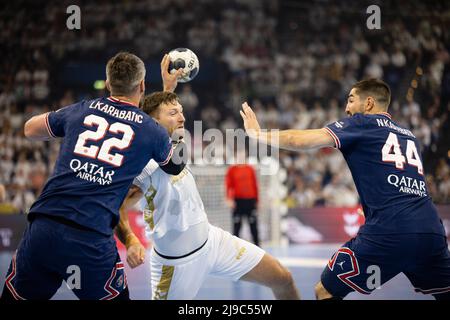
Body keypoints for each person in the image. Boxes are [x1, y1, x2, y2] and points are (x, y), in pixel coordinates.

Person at [240, 78, 450, 300]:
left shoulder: (362, 123)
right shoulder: (409, 135)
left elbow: (300, 140)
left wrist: (258, 134)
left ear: (368, 103)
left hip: (390, 230)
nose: (347, 108)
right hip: (432, 232)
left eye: (351, 100)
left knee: (325, 290)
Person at [1, 52, 185, 300]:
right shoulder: (150, 130)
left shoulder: (81, 110)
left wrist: (66, 120)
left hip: (44, 228)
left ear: (108, 84)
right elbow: (175, 165)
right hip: (90, 239)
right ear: (142, 85)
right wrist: (176, 120)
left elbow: (30, 129)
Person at [116, 91, 300, 300]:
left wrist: (168, 88)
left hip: (214, 243)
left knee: (283, 278)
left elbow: (158, 119)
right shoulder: (141, 165)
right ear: (152, 122)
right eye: (174, 113)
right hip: (174, 265)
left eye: (182, 112)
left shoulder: (172, 150)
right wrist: (130, 240)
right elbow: (116, 205)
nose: (183, 118)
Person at [225, 153, 260, 246]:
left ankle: (258, 246)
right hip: (238, 201)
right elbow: (228, 185)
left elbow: (255, 185)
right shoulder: (232, 170)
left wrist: (257, 200)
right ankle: (234, 248)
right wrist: (229, 199)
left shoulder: (250, 169)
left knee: (253, 225)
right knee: (237, 226)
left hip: (250, 201)